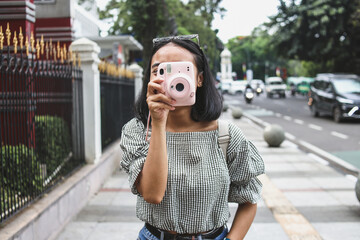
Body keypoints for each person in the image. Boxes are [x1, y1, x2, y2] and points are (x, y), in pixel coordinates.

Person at [120, 34, 265, 240]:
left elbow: (250, 199)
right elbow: (152, 194)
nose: (172, 79)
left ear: (199, 78)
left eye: (181, 71)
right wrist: (159, 123)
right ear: (149, 79)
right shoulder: (137, 132)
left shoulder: (225, 136)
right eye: (159, 71)